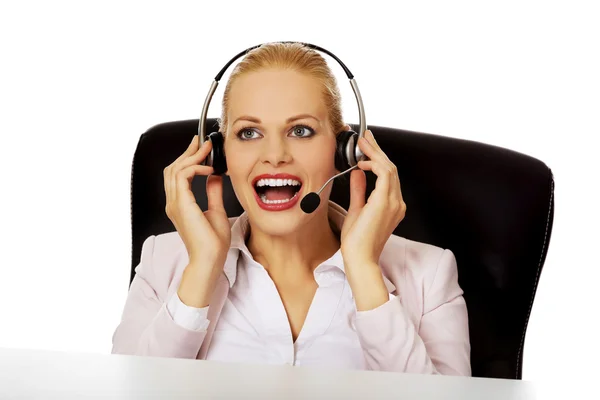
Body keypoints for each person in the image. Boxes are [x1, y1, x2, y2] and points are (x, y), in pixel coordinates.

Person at [111, 42, 471, 375]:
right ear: (218, 154)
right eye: (249, 133)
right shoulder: (164, 260)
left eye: (300, 131)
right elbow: (126, 393)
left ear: (345, 151)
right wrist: (203, 268)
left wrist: (362, 269)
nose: (275, 155)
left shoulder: (429, 275)